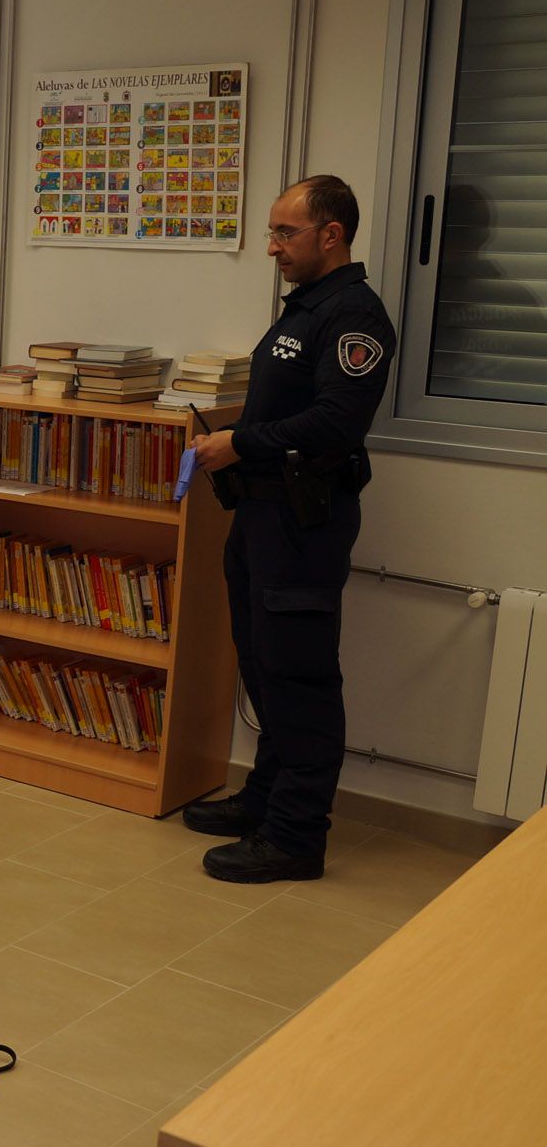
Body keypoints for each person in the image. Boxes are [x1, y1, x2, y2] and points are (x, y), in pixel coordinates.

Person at [186, 175, 392, 883]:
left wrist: (241, 442)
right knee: (263, 662)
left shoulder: (353, 314)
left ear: (330, 235)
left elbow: (337, 423)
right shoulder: (306, 308)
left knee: (299, 674)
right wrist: (242, 440)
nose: (272, 246)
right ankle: (266, 801)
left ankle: (297, 836)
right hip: (263, 514)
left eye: (285, 233)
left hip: (304, 521)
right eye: (274, 232)